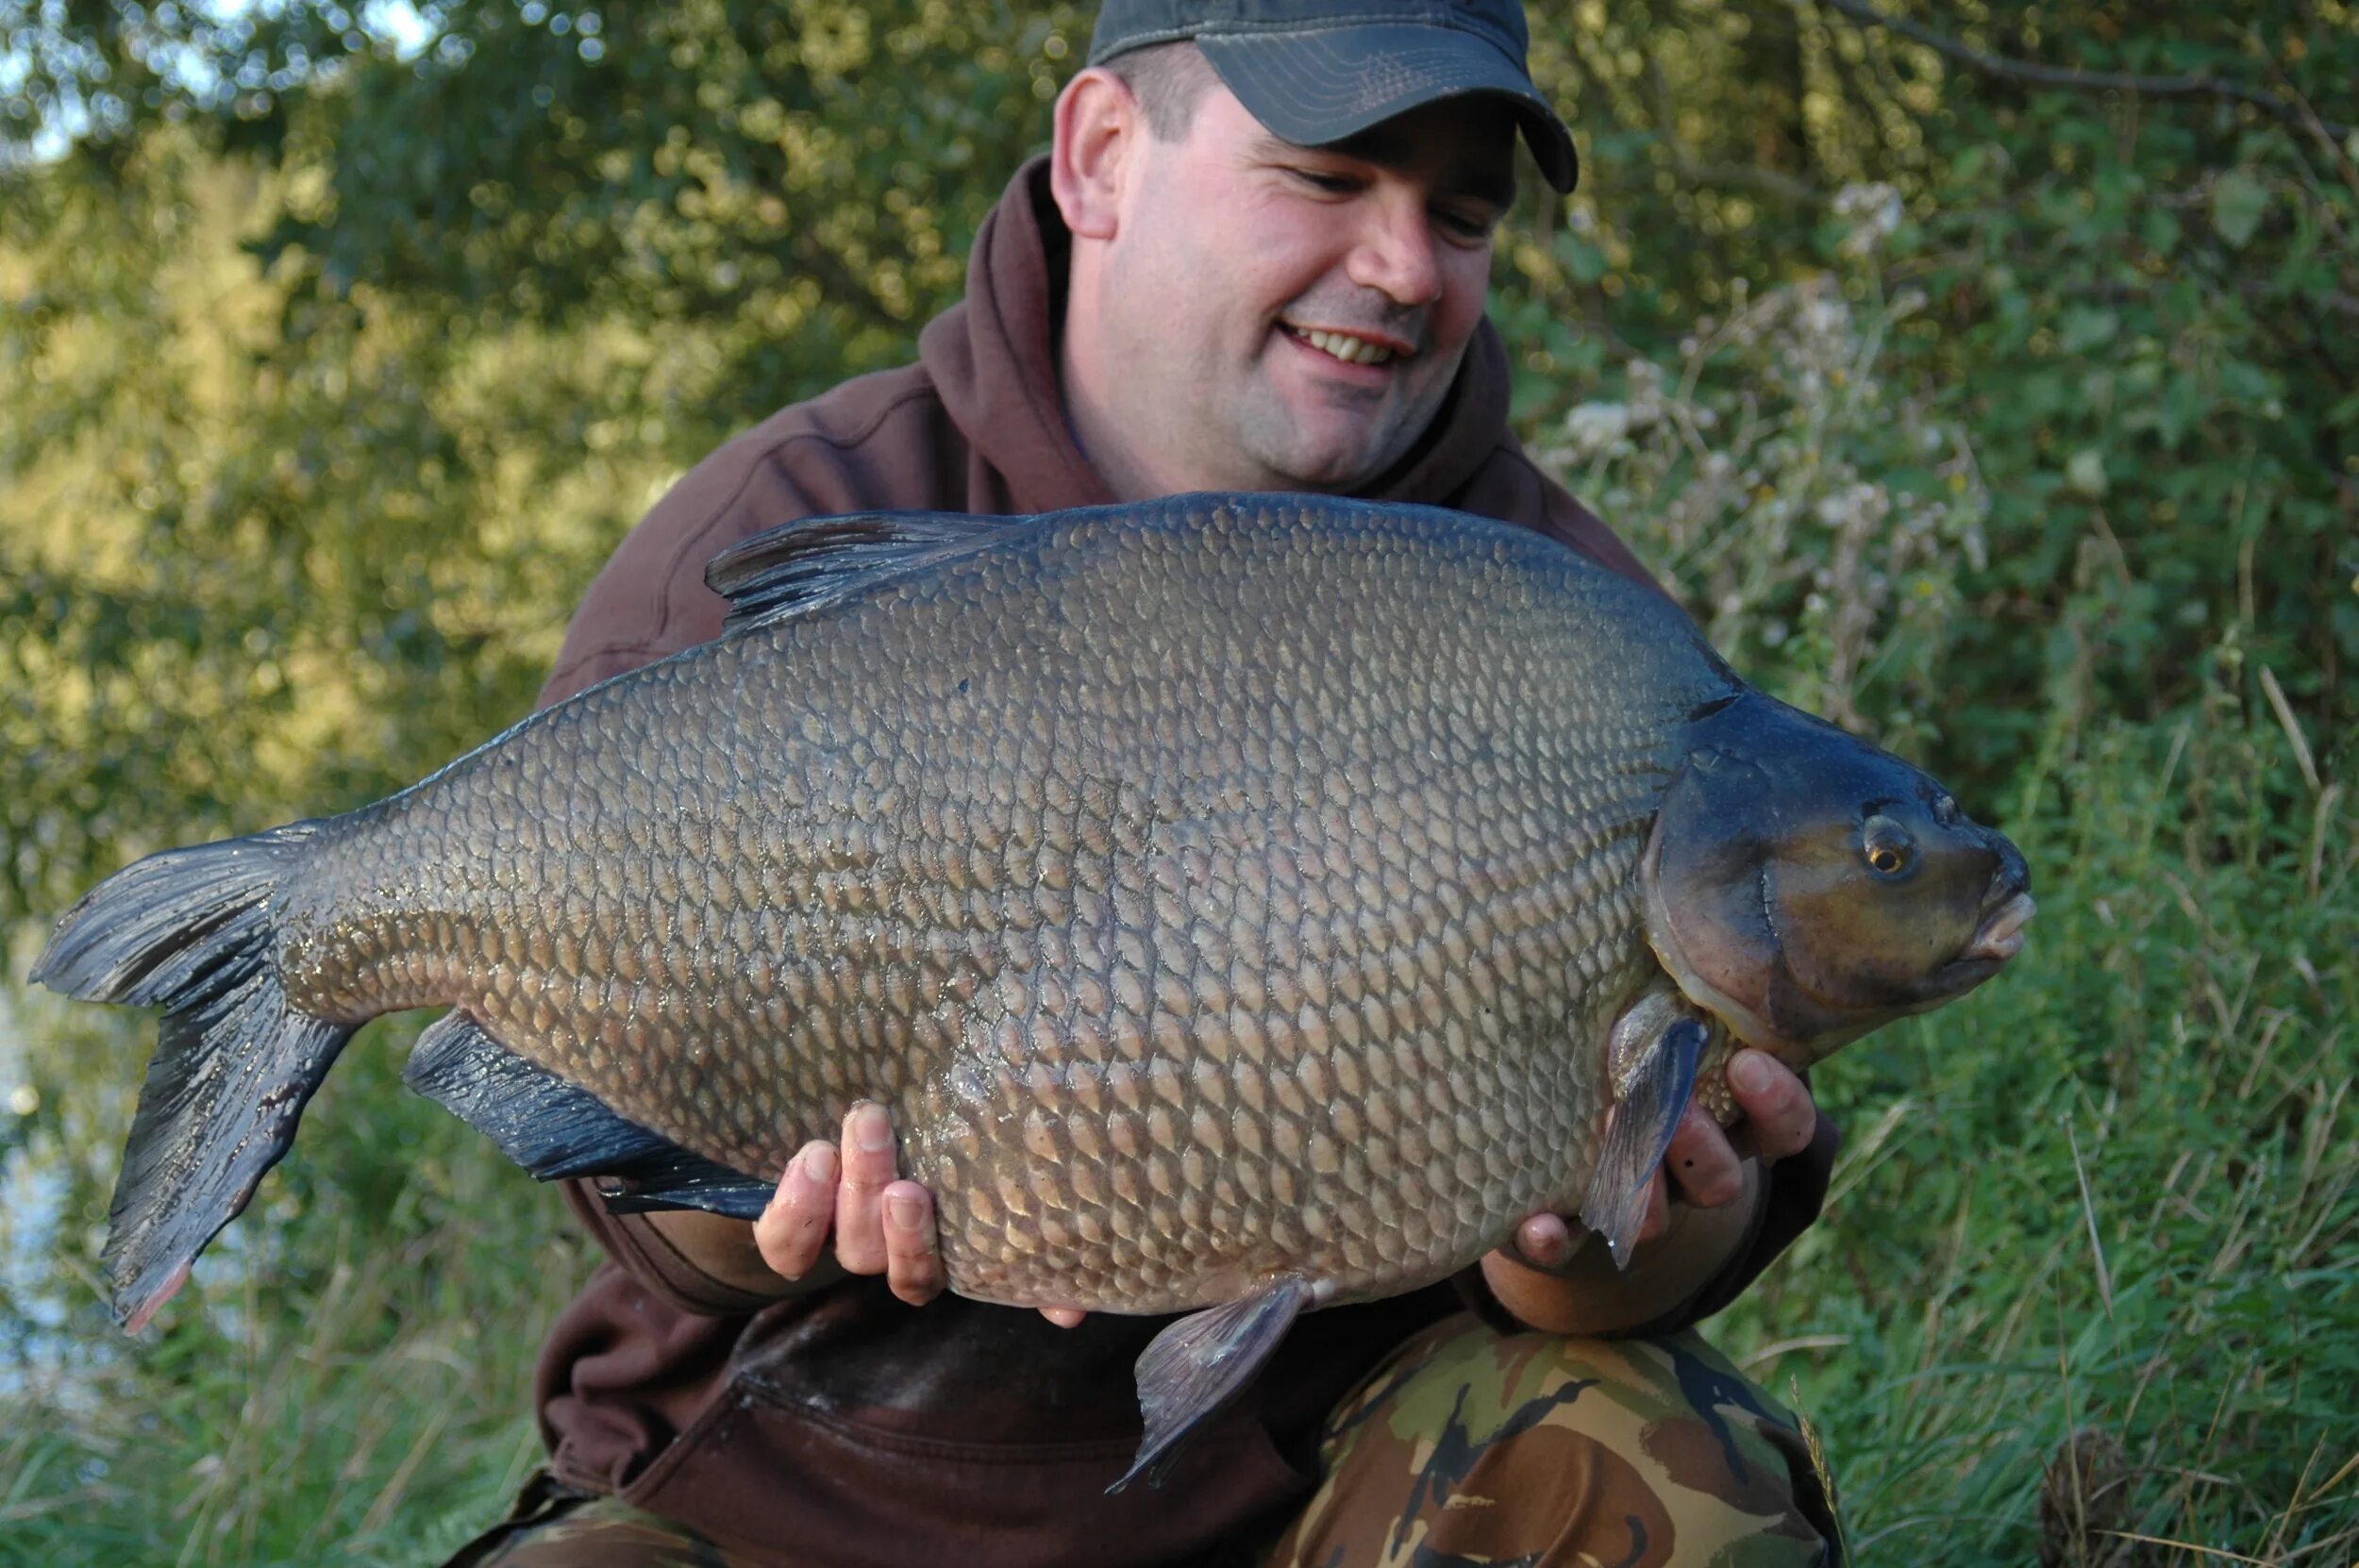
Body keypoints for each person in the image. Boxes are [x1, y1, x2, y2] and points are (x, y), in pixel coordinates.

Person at [447, 3, 1844, 1563]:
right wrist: (751, 1184)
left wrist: (1617, 1229)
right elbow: (628, 1198)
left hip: (1309, 1493)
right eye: (1326, 176)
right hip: (779, 1495)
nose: (1402, 264)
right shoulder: (802, 520)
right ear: (1103, 155)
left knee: (1655, 1460)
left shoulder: (1559, 628)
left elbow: (1670, 1240)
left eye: (1461, 213)